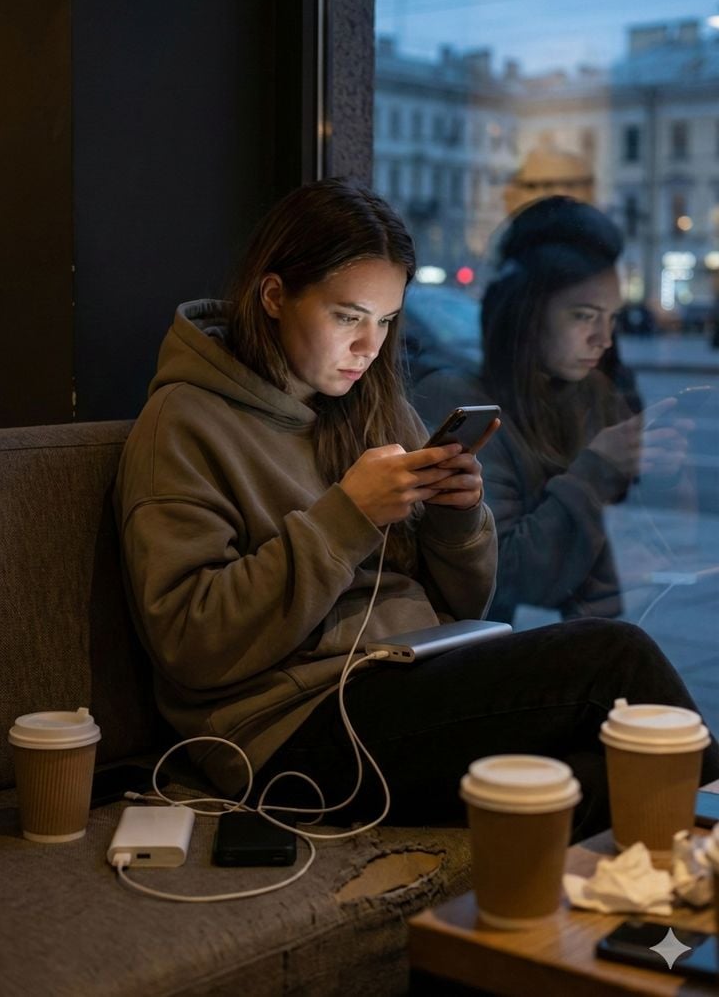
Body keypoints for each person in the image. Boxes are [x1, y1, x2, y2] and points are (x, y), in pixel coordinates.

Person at [115, 179, 718, 837]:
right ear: (274, 296)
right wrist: (348, 516)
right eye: (347, 316)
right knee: (616, 660)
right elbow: (190, 643)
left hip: (404, 675)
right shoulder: (184, 422)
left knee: (613, 775)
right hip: (285, 731)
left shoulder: (368, 404)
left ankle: (658, 922)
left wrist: (458, 517)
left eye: (386, 321)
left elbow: (467, 604)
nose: (368, 348)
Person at [411, 195, 688, 624]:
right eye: (583, 316)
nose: (604, 338)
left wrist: (661, 471)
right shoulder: (459, 401)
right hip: (481, 648)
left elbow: (639, 551)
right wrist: (599, 468)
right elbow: (506, 577)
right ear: (526, 313)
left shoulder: (588, 392)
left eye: (612, 318)